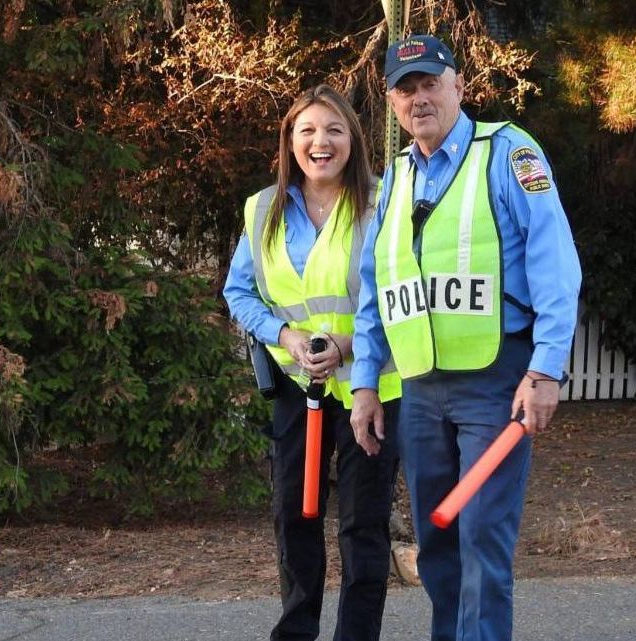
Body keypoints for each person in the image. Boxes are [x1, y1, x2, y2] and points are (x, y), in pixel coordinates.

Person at [349, 35, 582, 641]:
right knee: (438, 540)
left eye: (430, 83)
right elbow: (376, 288)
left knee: (482, 536)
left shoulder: (507, 153)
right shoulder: (395, 178)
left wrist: (545, 370)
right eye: (406, 88)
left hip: (497, 384)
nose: (418, 98)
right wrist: (365, 383)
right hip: (422, 391)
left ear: (458, 86)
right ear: (392, 101)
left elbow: (555, 263)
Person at [223, 84, 402, 641]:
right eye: (307, 132)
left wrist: (347, 347)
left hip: (372, 390)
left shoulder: (384, 201)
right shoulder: (263, 210)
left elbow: (404, 291)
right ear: (289, 143)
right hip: (300, 389)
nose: (320, 142)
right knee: (293, 519)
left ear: (353, 140)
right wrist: (286, 335)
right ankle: (296, 632)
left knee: (361, 527)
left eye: (333, 130)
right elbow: (240, 292)